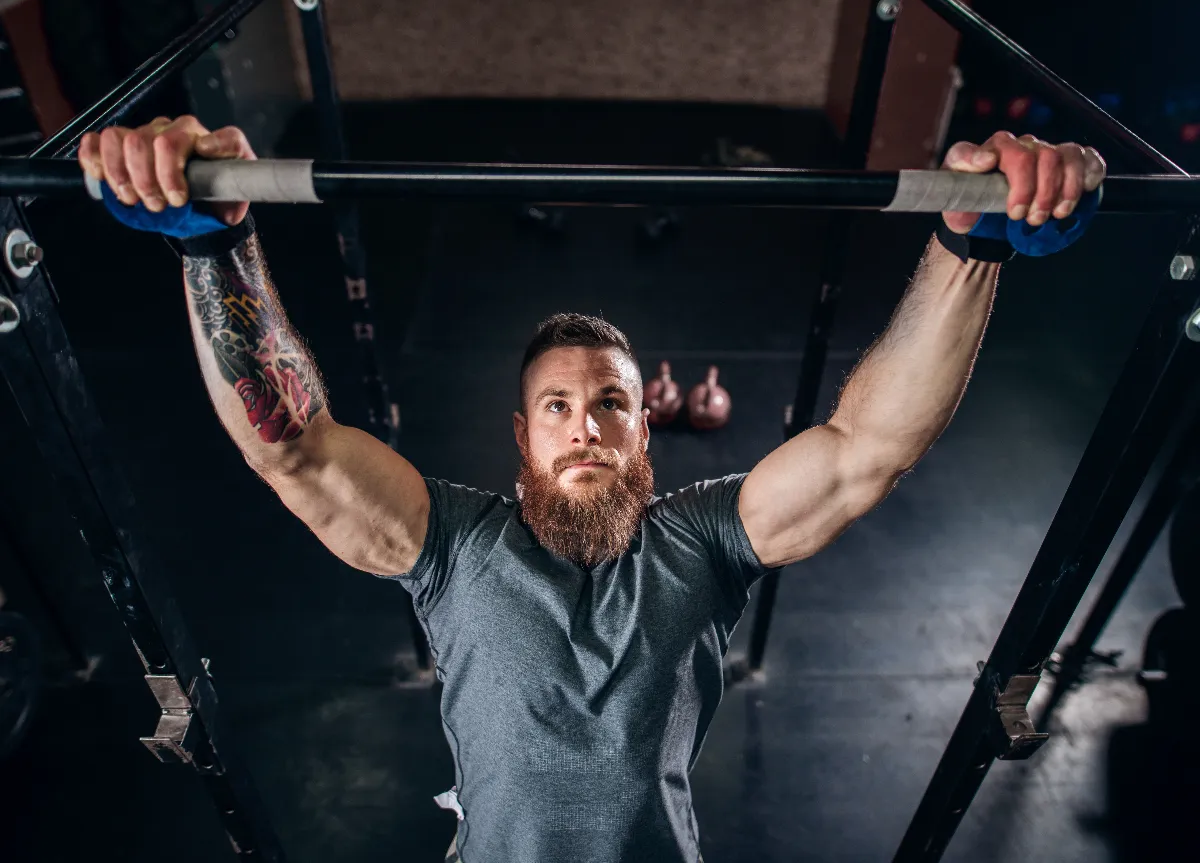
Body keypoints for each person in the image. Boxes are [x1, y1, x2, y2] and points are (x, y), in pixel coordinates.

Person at [77, 116, 1106, 863]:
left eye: (610, 403)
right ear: (521, 438)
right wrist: (216, 244)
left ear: (642, 425)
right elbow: (294, 448)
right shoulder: (453, 547)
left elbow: (866, 448)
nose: (587, 427)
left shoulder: (701, 544)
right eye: (559, 408)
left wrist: (969, 246)